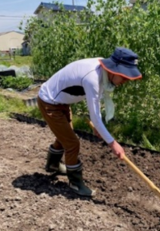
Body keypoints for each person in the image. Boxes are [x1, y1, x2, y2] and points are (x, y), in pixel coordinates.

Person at [37, 47, 142, 197]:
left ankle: (52, 165)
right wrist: (113, 143)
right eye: (124, 77)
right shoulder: (92, 77)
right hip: (50, 102)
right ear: (114, 70)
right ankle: (75, 183)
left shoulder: (102, 72)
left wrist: (99, 127)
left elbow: (96, 105)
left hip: (61, 102)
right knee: (72, 143)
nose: (124, 81)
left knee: (65, 136)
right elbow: (95, 117)